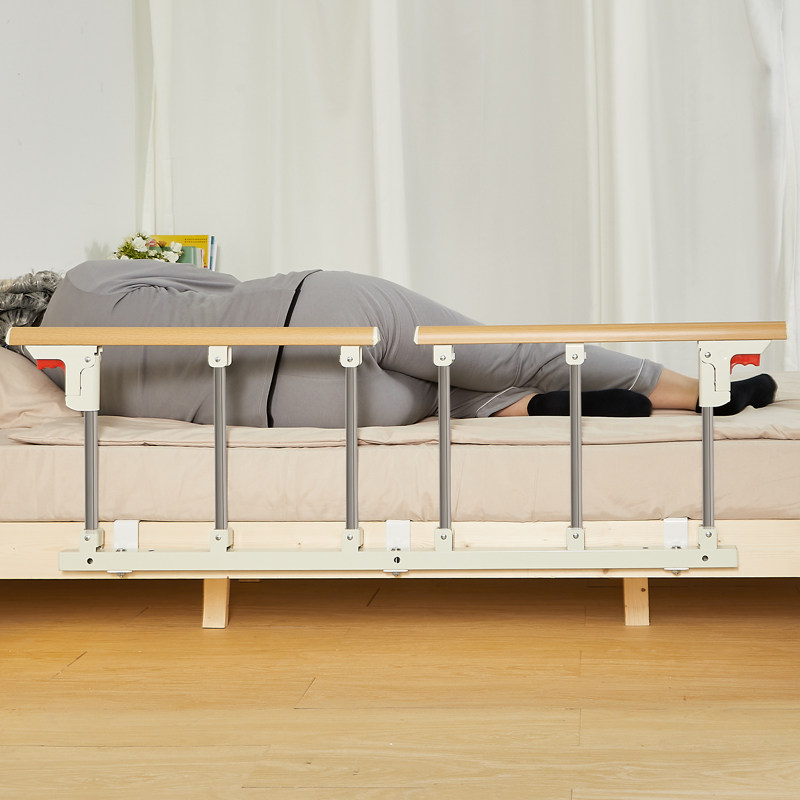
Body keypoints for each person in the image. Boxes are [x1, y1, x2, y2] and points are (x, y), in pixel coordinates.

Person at [1, 261, 776, 428]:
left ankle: (529, 410)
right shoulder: (87, 280)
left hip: (292, 409)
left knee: (448, 402)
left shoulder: (65, 380)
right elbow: (218, 283)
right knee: (500, 351)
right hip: (316, 309)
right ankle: (696, 391)